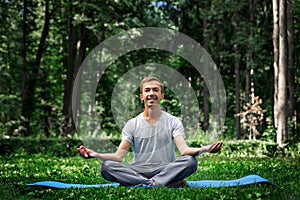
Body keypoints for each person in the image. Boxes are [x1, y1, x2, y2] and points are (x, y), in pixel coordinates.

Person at [77, 77, 223, 187]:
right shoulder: (132, 124)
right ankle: (160, 183)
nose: (151, 93)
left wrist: (205, 149)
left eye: (155, 90)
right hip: (138, 170)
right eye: (147, 90)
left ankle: (146, 183)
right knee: (106, 167)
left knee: (190, 162)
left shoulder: (173, 121)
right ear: (142, 96)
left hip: (165, 168)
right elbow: (119, 156)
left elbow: (184, 150)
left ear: (162, 95)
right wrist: (96, 155)